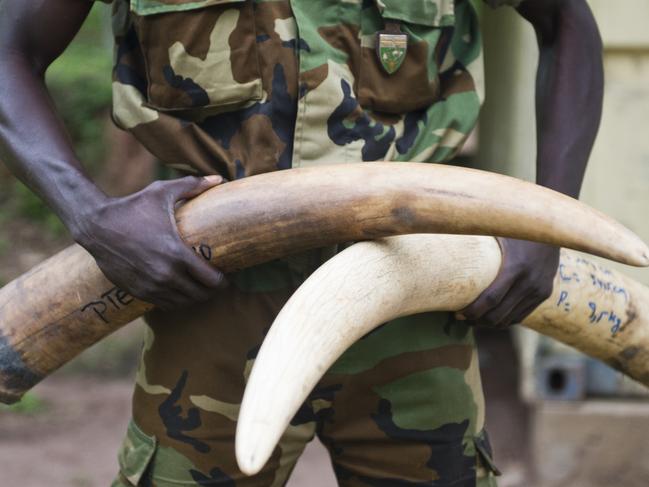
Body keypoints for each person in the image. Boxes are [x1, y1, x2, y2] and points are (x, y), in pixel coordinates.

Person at [0, 0, 603, 485]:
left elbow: (566, 21)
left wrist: (547, 227)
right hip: (210, 302)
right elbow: (10, 49)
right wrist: (90, 215)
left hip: (417, 299)